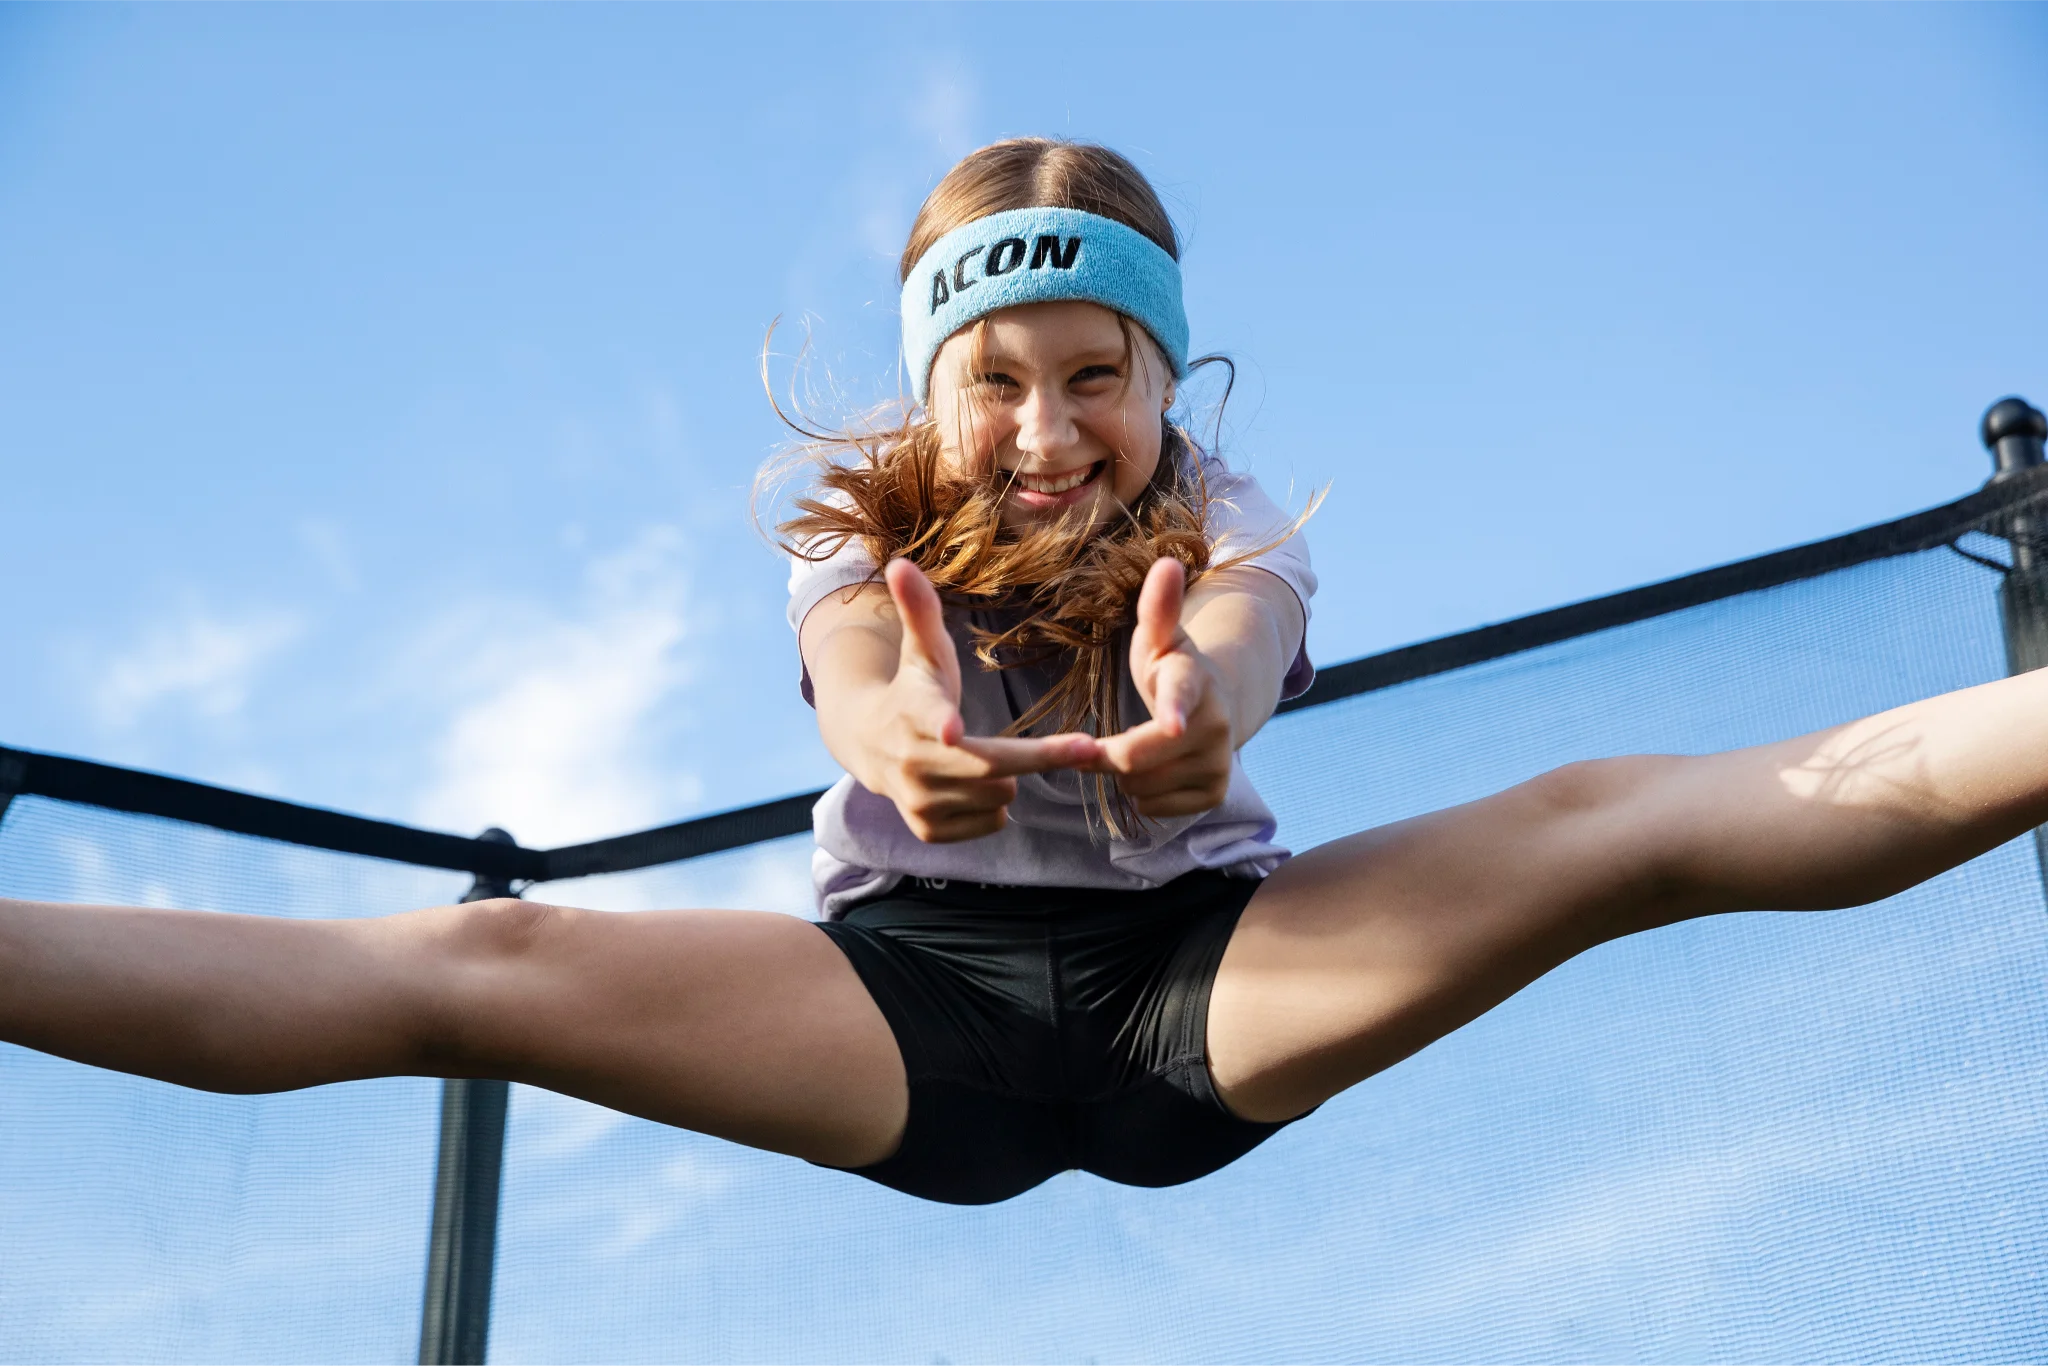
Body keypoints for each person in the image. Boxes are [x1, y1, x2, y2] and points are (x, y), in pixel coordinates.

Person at [3, 138, 2044, 1207]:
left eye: (1099, 377)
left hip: (1205, 972)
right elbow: (854, 675)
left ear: (1169, 376)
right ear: (933, 386)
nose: (1049, 426)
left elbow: (1237, 641)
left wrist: (1198, 724)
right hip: (910, 998)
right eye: (998, 383)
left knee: (1607, 821)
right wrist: (911, 733)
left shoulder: (1233, 506)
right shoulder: (851, 518)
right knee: (486, 969)